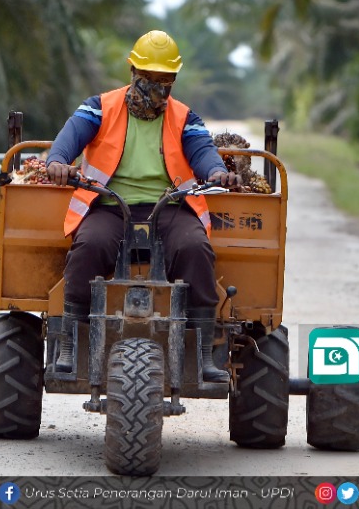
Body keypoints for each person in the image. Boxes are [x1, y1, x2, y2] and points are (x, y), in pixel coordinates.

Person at [45, 30, 238, 382]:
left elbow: (203, 153)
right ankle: (68, 342)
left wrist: (217, 172)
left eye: (165, 80)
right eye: (149, 78)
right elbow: (68, 139)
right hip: (109, 205)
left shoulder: (184, 118)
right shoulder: (99, 108)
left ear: (174, 80)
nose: (157, 87)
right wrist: (58, 160)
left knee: (196, 248)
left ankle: (206, 351)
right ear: (133, 71)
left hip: (169, 207)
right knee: (88, 247)